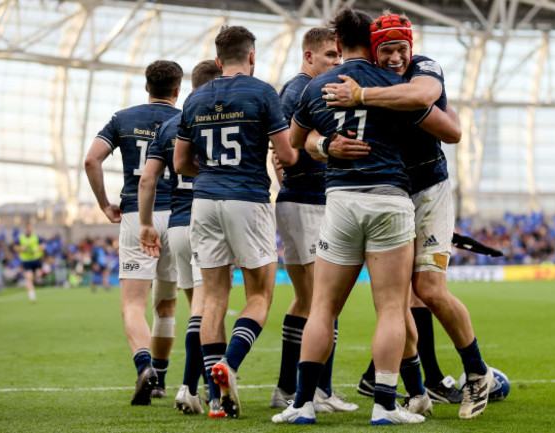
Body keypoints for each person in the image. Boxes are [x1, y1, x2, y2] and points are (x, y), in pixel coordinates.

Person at [321, 12, 493, 419]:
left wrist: (361, 97)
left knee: (429, 290)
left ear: (411, 47)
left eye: (402, 48)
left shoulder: (422, 69)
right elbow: (304, 131)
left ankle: (477, 372)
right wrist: (325, 145)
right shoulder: (364, 80)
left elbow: (440, 119)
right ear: (373, 51)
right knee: (397, 301)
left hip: (429, 189)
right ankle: (416, 390)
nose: (396, 57)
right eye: (387, 50)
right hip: (392, 195)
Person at [272, 7, 439, 426]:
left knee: (323, 307)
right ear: (373, 40)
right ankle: (385, 406)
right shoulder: (396, 82)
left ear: (339, 42)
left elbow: (293, 144)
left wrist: (327, 145)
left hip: (340, 200)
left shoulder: (316, 86)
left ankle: (303, 402)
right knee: (390, 309)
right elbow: (446, 128)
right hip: (389, 198)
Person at [174, 25, 298, 418]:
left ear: (216, 60)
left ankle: (214, 396)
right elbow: (287, 156)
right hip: (247, 199)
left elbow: (180, 163)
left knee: (212, 299)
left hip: (204, 201)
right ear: (252, 57)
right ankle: (230, 363)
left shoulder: (194, 98)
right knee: (259, 295)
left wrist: (209, 172)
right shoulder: (262, 92)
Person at [85, 60, 183, 406]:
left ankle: (144, 366)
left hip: (136, 215)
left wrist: (104, 204)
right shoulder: (185, 117)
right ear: (177, 89)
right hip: (179, 215)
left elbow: (91, 160)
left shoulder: (122, 119)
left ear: (146, 87)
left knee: (132, 304)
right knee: (167, 304)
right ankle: (161, 380)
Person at [271, 27, 357, 414]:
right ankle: (305, 390)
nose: (336, 63)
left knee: (315, 300)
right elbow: (282, 146)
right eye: (328, 56)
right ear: (308, 57)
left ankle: (300, 388)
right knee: (318, 301)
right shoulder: (299, 89)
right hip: (305, 201)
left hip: (312, 200)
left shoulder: (311, 89)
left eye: (339, 56)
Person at [139, 60, 223, 416]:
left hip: (175, 226)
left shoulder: (170, 125)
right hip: (206, 221)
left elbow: (148, 180)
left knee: (196, 310)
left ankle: (198, 386)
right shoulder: (221, 118)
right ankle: (191, 387)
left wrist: (145, 224)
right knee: (207, 309)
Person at [16, 224, 44, 302]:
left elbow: (43, 246)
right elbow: (16, 247)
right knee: (29, 278)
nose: (29, 229)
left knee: (37, 275)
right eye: (28, 228)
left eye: (30, 228)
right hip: (27, 261)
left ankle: (33, 282)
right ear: (25, 229)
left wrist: (37, 250)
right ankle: (32, 296)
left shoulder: (36, 236)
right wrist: (21, 248)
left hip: (36, 260)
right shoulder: (21, 237)